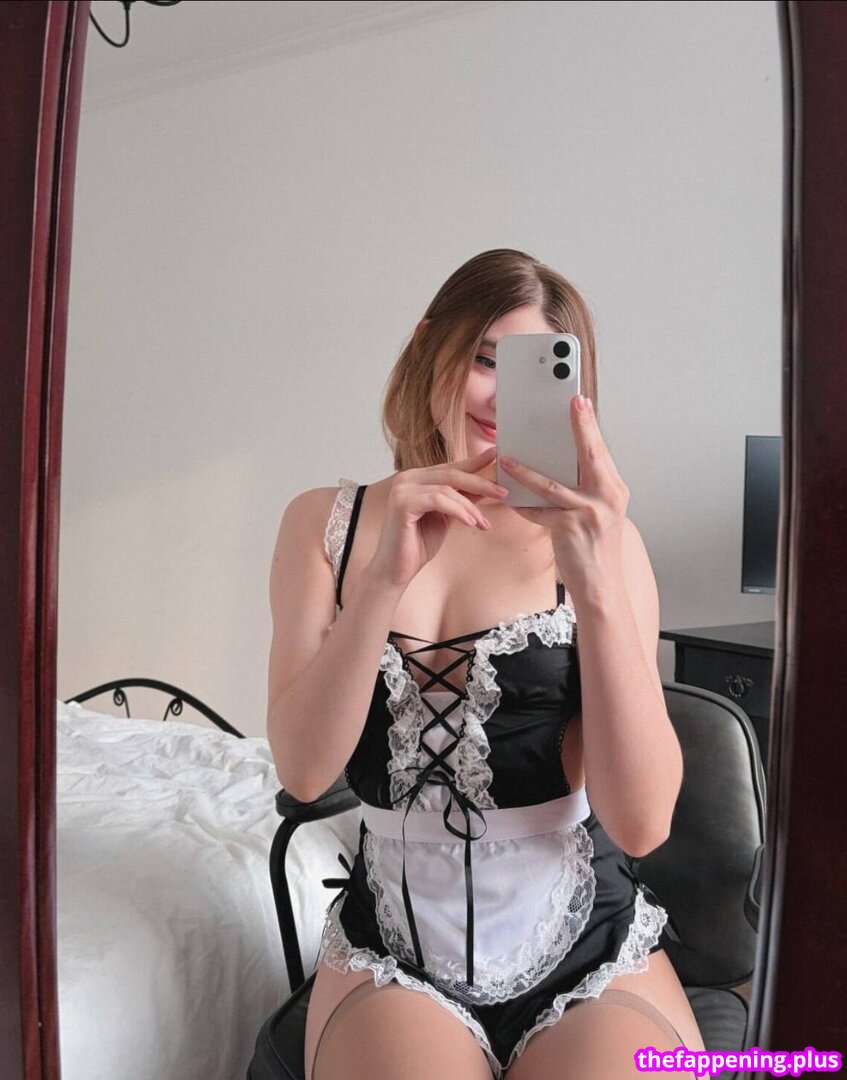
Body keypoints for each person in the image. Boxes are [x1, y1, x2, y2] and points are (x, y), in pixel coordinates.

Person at [266, 248, 708, 1080]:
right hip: (393, 946)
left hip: (586, 940)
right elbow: (303, 769)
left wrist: (595, 579)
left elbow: (642, 822)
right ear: (427, 345)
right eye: (483, 360)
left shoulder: (605, 539)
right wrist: (383, 579)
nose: (502, 398)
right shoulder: (325, 525)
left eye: (535, 371)